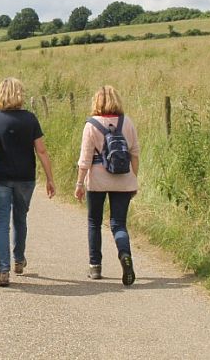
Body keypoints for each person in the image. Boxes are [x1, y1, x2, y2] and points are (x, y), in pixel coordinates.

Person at [0, 77, 56, 287]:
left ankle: (3, 270)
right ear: (20, 94)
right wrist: (50, 178)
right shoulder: (30, 119)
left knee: (2, 222)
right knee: (20, 218)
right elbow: (41, 150)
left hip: (1, 177)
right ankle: (19, 260)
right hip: (25, 177)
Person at [74, 85, 140, 286]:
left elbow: (85, 160)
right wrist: (133, 179)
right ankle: (125, 255)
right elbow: (135, 153)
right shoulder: (127, 122)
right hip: (124, 179)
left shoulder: (91, 124)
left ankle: (95, 267)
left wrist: (79, 184)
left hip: (97, 181)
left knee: (94, 221)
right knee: (118, 223)